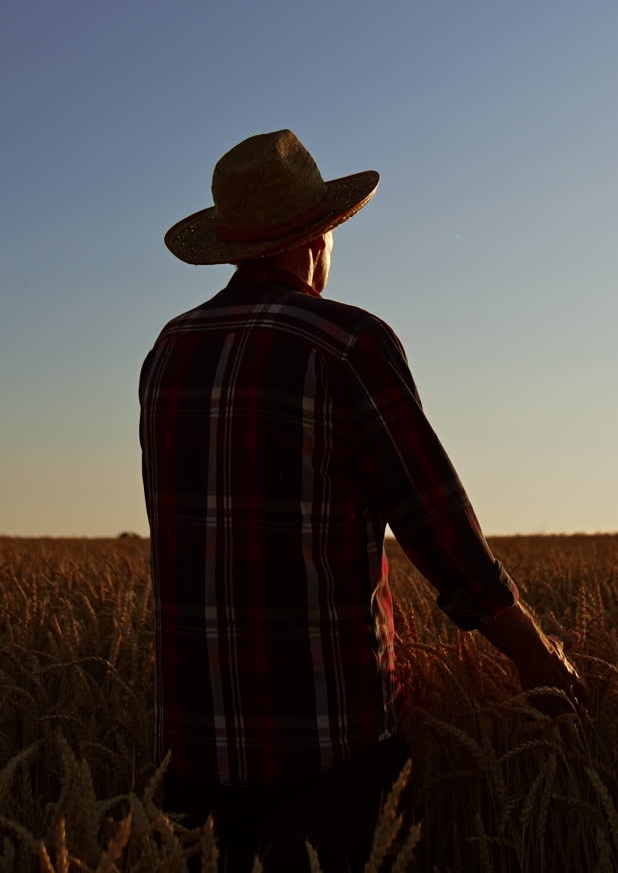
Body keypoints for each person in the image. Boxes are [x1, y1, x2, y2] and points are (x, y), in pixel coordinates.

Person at [139, 129, 585, 871]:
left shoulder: (169, 349)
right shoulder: (346, 341)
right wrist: (533, 655)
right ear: (317, 237)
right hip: (326, 739)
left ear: (231, 245)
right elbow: (433, 519)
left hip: (190, 744)